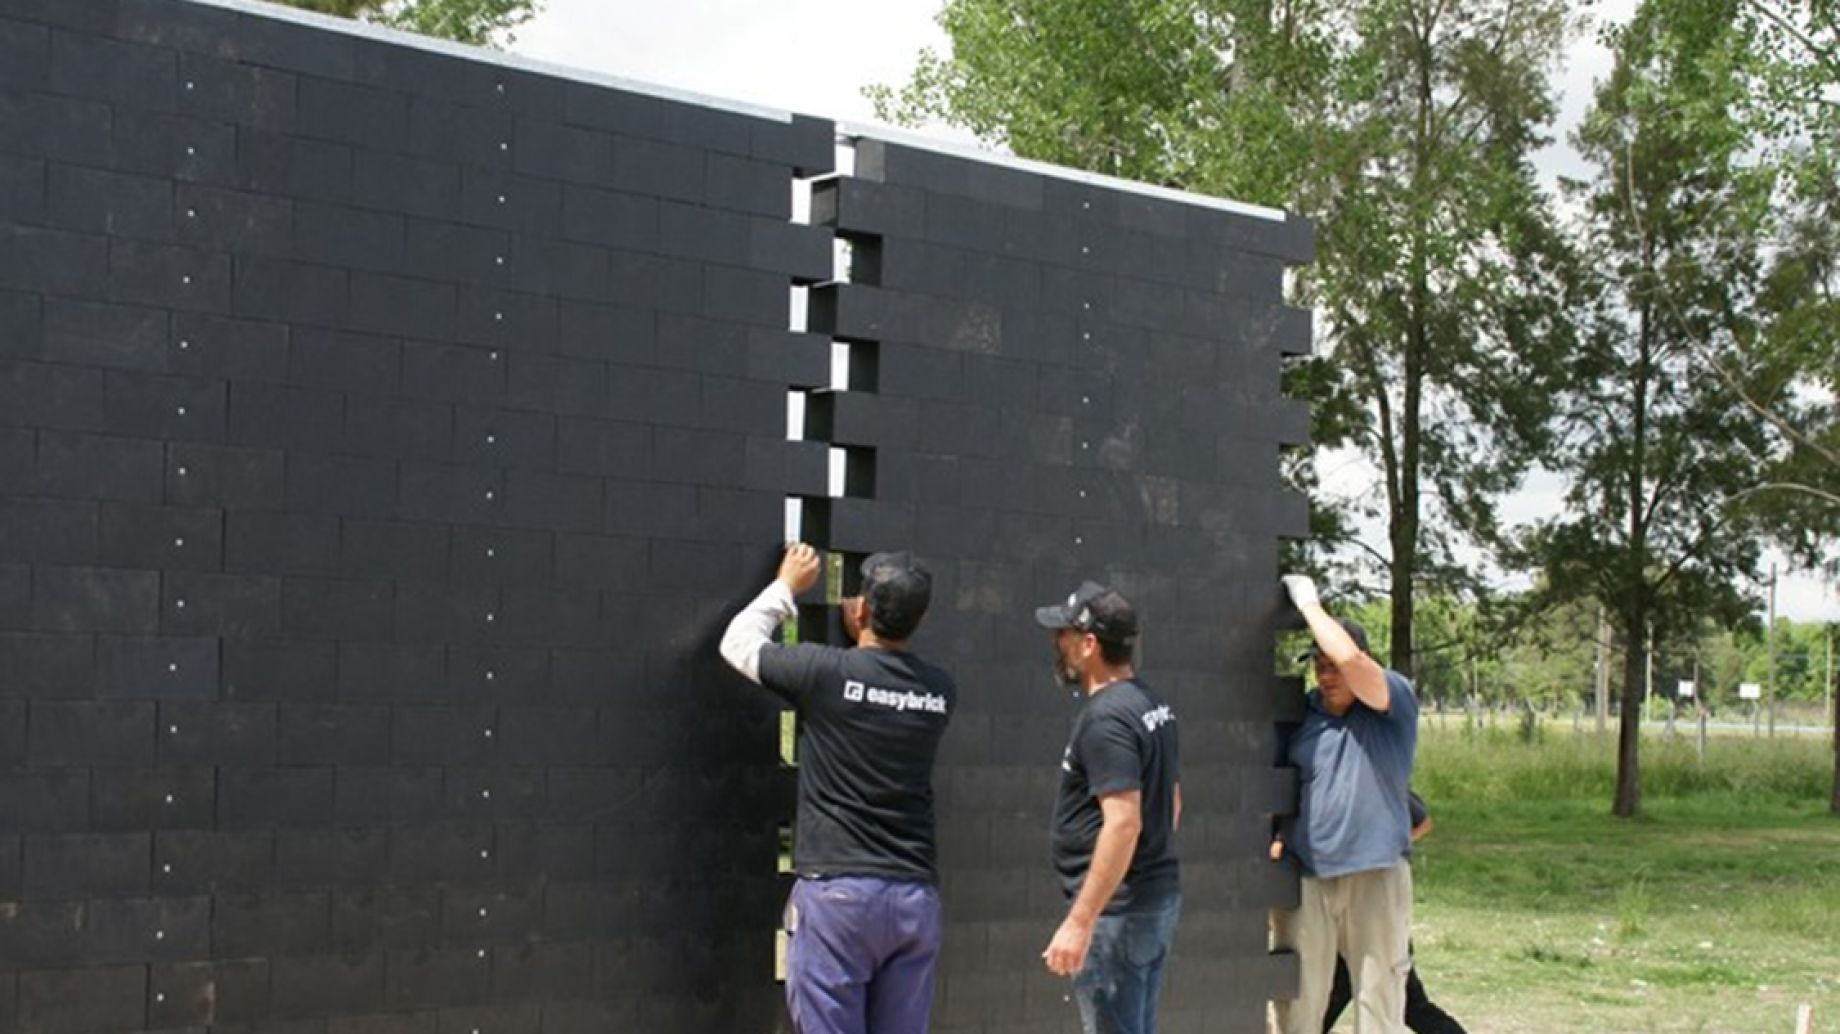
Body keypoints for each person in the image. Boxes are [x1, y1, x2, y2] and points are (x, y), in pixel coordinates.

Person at [720, 543, 957, 1034]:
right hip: (914, 900)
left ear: (862, 608)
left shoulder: (826, 674)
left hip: (839, 899)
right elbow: (879, 693)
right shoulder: (939, 691)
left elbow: (738, 644)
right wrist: (867, 641)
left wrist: (786, 586)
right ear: (923, 617)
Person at [1272, 575, 1419, 1034]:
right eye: (1319, 666)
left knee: (1379, 1006)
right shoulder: (1303, 716)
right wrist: (1278, 835)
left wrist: (1310, 604)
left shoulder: (1392, 702)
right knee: (1298, 1006)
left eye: (1332, 664)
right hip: (1310, 880)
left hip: (1375, 877)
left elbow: (1351, 660)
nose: (1326, 675)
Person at [1034, 581, 1182, 1034]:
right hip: (1148, 904)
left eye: (1064, 634)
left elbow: (1123, 825)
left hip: (1118, 918)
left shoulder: (1106, 718)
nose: (1057, 642)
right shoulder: (1150, 703)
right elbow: (1172, 801)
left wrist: (1081, 921)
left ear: (1090, 644)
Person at [1318, 793, 1469, 1034]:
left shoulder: (1375, 778)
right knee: (1320, 1009)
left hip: (1377, 911)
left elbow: (1423, 821)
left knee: (1410, 1005)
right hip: (1340, 909)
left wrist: (1392, 846)